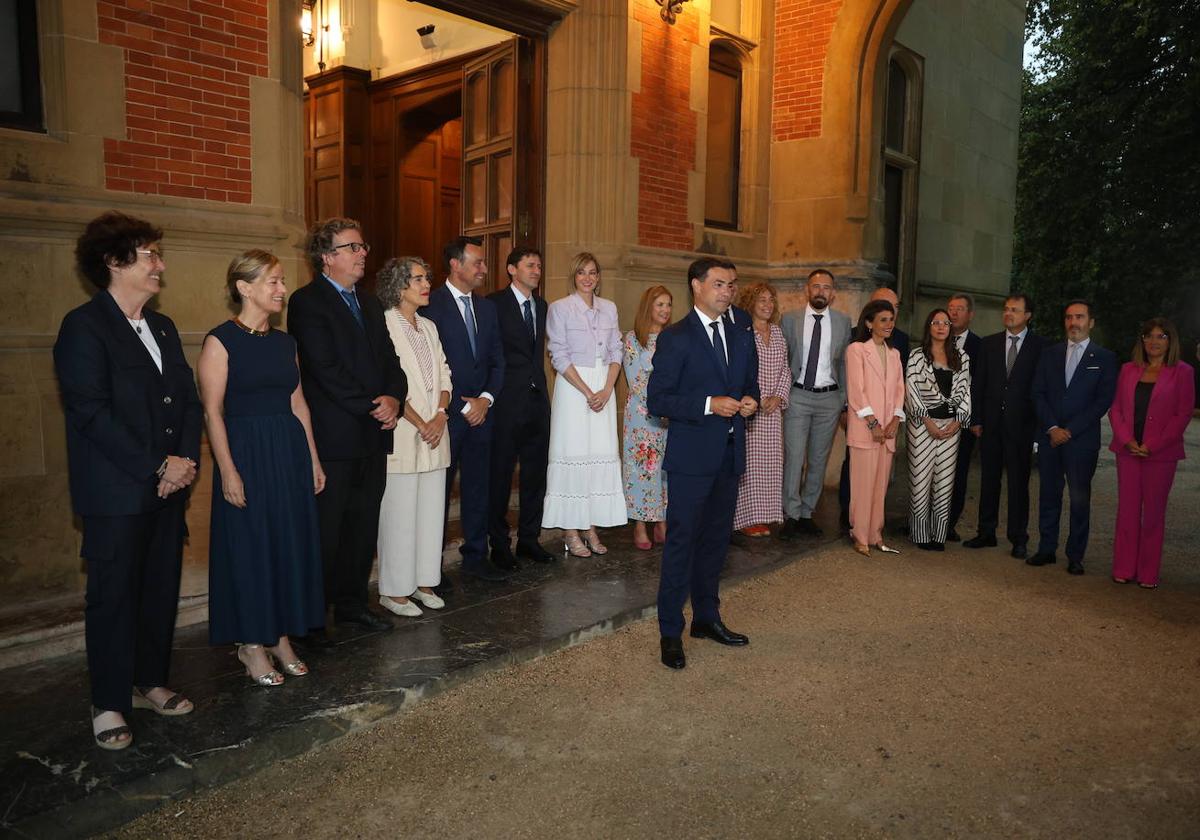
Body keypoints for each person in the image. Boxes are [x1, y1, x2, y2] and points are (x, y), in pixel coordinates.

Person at [54, 212, 201, 749]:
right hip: (117, 490)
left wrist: (184, 460)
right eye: (150, 256)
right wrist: (156, 465)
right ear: (115, 262)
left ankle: (148, 681)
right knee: (114, 596)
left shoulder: (160, 327)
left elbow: (186, 399)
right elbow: (90, 413)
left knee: (159, 589)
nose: (160, 265)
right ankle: (109, 699)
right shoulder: (84, 327)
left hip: (169, 485)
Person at [199, 251, 326, 686]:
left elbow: (298, 402)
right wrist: (228, 471)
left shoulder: (286, 342)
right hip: (247, 453)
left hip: (288, 452)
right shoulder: (220, 341)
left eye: (282, 281)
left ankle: (280, 636)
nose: (281, 289)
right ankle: (251, 644)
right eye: (272, 281)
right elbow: (212, 413)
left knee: (287, 543)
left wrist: (311, 458)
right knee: (252, 547)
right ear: (244, 287)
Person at [288, 218, 407, 632]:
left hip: (373, 436)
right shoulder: (307, 302)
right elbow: (324, 369)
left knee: (362, 527)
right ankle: (313, 619)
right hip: (335, 436)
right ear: (328, 257)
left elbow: (392, 361)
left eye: (362, 246)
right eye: (353, 247)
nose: (363, 254)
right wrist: (372, 406)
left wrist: (395, 398)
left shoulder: (371, 302)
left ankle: (353, 604)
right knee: (327, 531)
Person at [647, 258, 759, 669]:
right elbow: (657, 400)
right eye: (718, 284)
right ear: (696, 286)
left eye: (731, 284)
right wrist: (710, 405)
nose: (727, 291)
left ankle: (707, 619)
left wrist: (751, 402)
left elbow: (751, 384)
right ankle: (670, 632)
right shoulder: (676, 336)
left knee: (715, 545)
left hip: (730, 455)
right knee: (681, 545)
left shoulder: (740, 330)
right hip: (692, 459)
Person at [421, 236, 508, 582]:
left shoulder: (487, 308)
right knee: (438, 492)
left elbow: (498, 362)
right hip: (447, 414)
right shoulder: (430, 305)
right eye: (477, 262)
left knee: (477, 488)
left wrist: (485, 399)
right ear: (455, 265)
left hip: (482, 414)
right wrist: (459, 405)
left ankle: (475, 555)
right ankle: (431, 565)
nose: (484, 269)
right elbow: (428, 366)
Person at [374, 257, 452, 615]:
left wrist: (439, 416)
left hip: (437, 432)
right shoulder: (384, 324)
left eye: (427, 277)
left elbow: (445, 375)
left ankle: (423, 583)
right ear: (399, 285)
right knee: (399, 517)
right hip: (405, 434)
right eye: (418, 279)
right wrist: (422, 423)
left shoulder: (430, 327)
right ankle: (394, 591)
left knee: (431, 514)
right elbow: (388, 382)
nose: (426, 285)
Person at [542, 252, 627, 556]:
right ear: (574, 277)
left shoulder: (609, 308)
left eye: (593, 273)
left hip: (604, 385)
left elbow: (618, 350)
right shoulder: (560, 308)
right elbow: (558, 355)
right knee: (574, 452)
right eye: (582, 273)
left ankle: (589, 524)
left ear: (598, 277)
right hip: (573, 388)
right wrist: (587, 390)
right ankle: (570, 529)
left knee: (598, 453)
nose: (588, 278)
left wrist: (606, 388)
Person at [1028, 301, 1118, 574]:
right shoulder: (1049, 354)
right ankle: (1046, 548)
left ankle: (1075, 555)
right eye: (1068, 317)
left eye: (1079, 317)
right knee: (1048, 495)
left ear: (1091, 322)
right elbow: (1037, 393)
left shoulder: (1104, 358)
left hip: (1081, 441)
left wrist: (1070, 430)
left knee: (1080, 499)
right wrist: (1053, 427)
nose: (1073, 322)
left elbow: (1103, 401)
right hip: (1050, 437)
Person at [1108, 318, 1194, 588]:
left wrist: (1153, 445)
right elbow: (1117, 410)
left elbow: (1182, 414)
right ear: (1142, 340)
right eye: (1149, 336)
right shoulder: (1127, 370)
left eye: (1161, 336)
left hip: (1161, 455)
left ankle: (1148, 573)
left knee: (1153, 514)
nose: (1154, 341)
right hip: (1128, 451)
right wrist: (1126, 439)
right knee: (1127, 512)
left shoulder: (1183, 372)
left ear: (1171, 341)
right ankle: (1123, 567)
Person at [486, 248, 556, 567]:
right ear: (511, 269)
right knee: (500, 475)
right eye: (530, 265)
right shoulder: (494, 304)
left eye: (539, 266)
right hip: (505, 401)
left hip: (536, 400)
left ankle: (529, 539)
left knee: (535, 474)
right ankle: (498, 543)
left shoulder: (541, 306)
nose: (536, 270)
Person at [964, 294, 1046, 559]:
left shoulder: (1041, 347)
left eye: (1015, 310)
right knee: (988, 480)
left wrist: (1037, 430)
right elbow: (978, 385)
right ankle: (986, 532)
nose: (1008, 313)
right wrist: (975, 418)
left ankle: (1018, 537)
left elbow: (1041, 390)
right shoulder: (989, 344)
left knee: (1018, 484)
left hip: (1022, 427)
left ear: (1028, 315)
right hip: (990, 425)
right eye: (1007, 309)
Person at [780, 269, 851, 539]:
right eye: (816, 286)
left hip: (829, 399)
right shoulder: (789, 320)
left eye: (826, 287)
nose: (821, 291)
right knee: (795, 458)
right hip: (798, 395)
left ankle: (807, 513)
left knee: (819, 460)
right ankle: (791, 514)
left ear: (833, 293)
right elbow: (781, 358)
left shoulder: (844, 322)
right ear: (807, 290)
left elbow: (844, 363)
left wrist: (842, 398)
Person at [839, 286, 909, 533]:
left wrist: (894, 422)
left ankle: (875, 532)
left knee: (880, 487)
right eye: (883, 320)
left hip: (887, 432)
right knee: (862, 485)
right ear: (869, 323)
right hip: (865, 429)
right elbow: (857, 392)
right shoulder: (856, 350)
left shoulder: (895, 353)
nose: (889, 324)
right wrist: (873, 424)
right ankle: (859, 533)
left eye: (891, 319)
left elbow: (901, 390)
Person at [905, 308, 971, 550]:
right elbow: (910, 390)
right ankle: (920, 534)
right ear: (929, 327)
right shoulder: (916, 356)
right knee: (920, 481)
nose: (941, 326)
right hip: (922, 426)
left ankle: (939, 535)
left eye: (945, 323)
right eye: (936, 322)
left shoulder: (962, 357)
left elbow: (966, 391)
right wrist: (928, 422)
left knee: (944, 482)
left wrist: (958, 422)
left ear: (950, 328)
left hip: (952, 428)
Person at [733, 282, 790, 537]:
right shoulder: (743, 333)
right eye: (762, 300)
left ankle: (764, 515)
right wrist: (756, 398)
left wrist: (779, 397)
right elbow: (741, 371)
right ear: (750, 303)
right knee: (751, 466)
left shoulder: (777, 333)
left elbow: (786, 370)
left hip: (773, 412)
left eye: (771, 300)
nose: (768, 305)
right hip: (752, 409)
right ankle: (745, 519)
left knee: (771, 466)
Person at [622, 285, 673, 549]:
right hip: (642, 416)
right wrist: (659, 406)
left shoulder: (673, 338)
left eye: (668, 305)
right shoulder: (633, 339)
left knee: (664, 469)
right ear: (648, 308)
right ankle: (640, 525)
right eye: (660, 305)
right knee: (641, 468)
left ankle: (662, 520)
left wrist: (671, 407)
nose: (665, 310)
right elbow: (636, 380)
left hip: (668, 416)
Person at [946, 293, 983, 541]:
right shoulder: (935, 339)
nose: (954, 313)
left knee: (957, 473)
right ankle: (920, 520)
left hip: (964, 422)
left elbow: (981, 385)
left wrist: (975, 419)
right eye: (950, 308)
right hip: (932, 419)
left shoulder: (981, 346)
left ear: (970, 314)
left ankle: (948, 524)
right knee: (928, 472)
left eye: (959, 309)